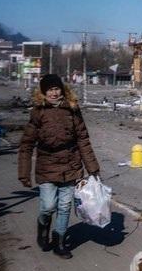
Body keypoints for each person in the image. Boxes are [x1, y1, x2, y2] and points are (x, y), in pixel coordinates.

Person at [17, 74, 101, 259]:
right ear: (43, 92)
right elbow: (27, 144)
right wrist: (24, 172)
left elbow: (83, 139)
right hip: (46, 165)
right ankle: (43, 227)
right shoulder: (38, 112)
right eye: (50, 90)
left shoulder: (72, 109)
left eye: (57, 89)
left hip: (71, 164)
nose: (54, 93)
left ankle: (59, 242)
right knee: (48, 206)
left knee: (64, 206)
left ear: (62, 90)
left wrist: (92, 168)